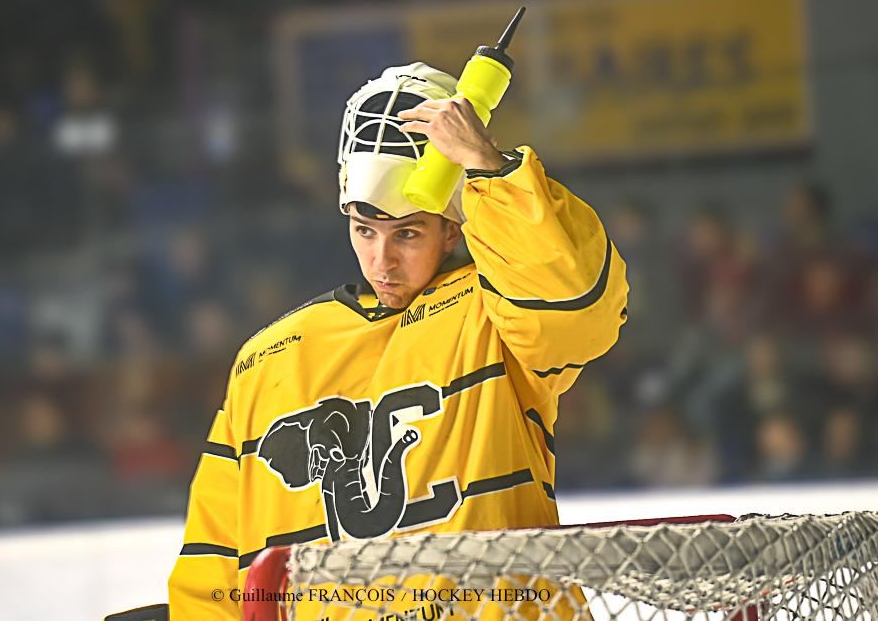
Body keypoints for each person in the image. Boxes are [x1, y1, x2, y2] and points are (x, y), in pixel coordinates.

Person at [106, 62, 629, 620]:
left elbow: (576, 308)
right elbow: (214, 573)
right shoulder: (267, 359)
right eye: (364, 230)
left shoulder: (495, 314)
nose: (383, 261)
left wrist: (489, 168)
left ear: (453, 228)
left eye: (407, 233)